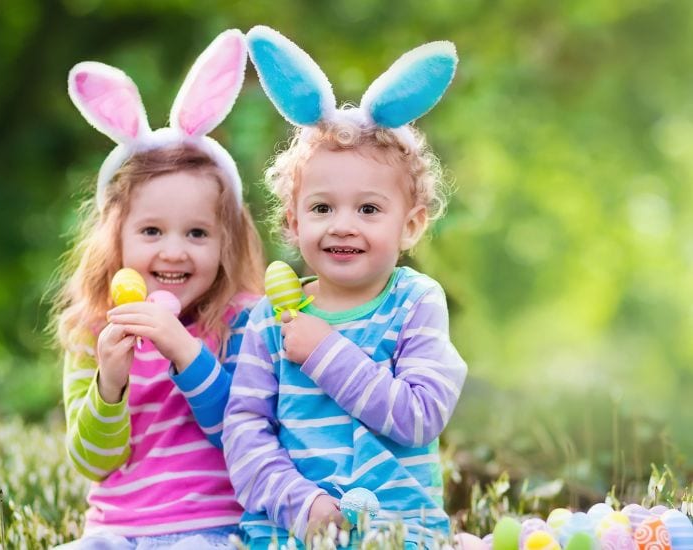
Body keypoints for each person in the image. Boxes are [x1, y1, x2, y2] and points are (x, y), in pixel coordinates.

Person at [223, 25, 467, 549]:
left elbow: (421, 417)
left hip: (400, 534)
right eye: (321, 208)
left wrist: (325, 351)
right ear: (292, 222)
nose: (343, 224)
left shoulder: (415, 302)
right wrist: (300, 503)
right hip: (290, 534)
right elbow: (244, 432)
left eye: (370, 209)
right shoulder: (269, 318)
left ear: (412, 225)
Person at [51, 29, 264, 549]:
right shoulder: (93, 330)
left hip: (212, 530)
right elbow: (92, 463)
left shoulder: (243, 322)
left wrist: (186, 352)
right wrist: (110, 384)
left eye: (197, 233)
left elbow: (246, 436)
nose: (173, 252)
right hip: (115, 532)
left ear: (226, 242)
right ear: (116, 241)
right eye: (151, 232)